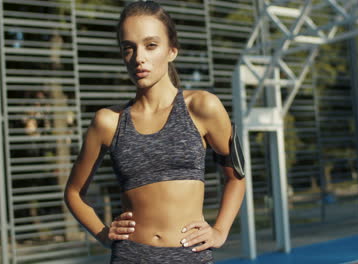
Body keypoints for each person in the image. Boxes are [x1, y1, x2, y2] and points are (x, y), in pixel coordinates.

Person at [64, 1, 246, 263]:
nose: (139, 58)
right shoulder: (108, 122)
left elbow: (236, 177)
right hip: (130, 256)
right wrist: (103, 233)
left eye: (151, 45)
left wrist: (220, 231)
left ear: (172, 50)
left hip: (189, 256)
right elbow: (73, 193)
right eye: (129, 48)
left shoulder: (202, 107)